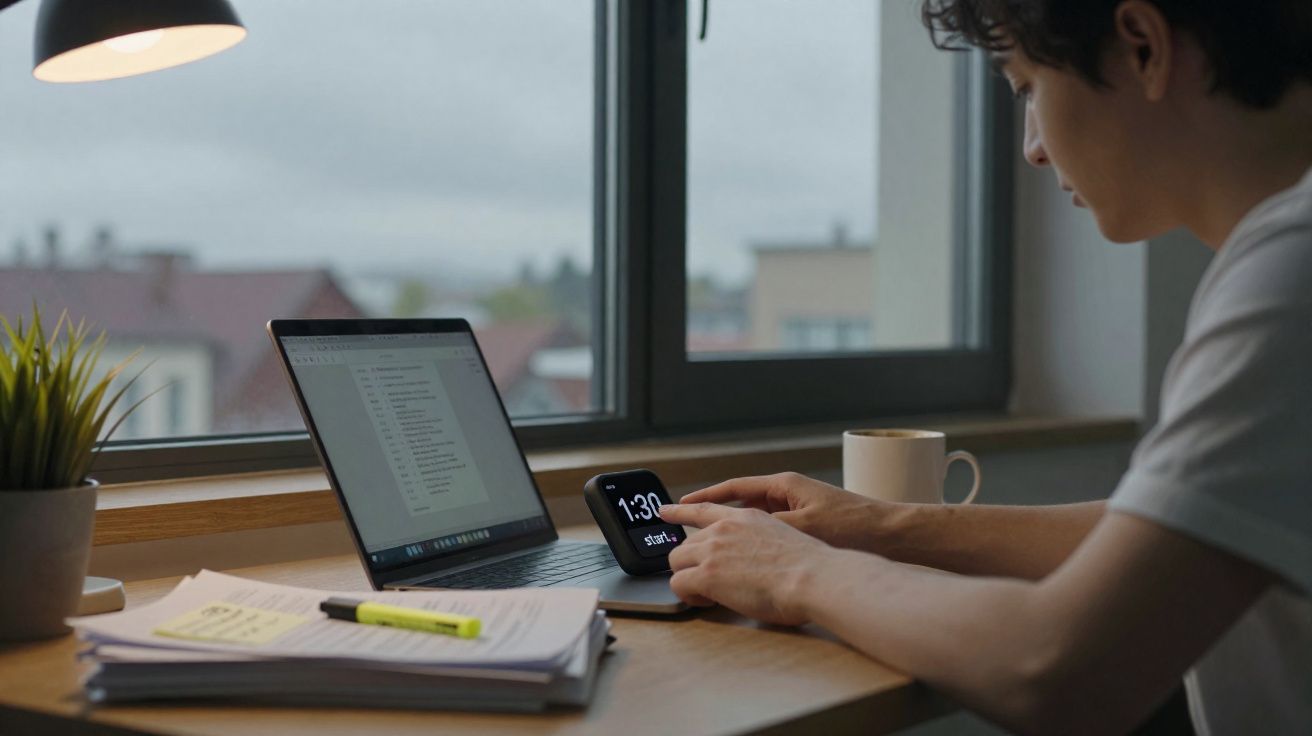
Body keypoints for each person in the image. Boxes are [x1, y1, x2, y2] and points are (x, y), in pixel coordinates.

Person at [655, 1, 1312, 734]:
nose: (1032, 146)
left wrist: (795, 573)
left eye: (1027, 86)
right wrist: (883, 525)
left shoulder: (1291, 282)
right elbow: (1176, 535)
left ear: (1142, 47)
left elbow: (1055, 669)